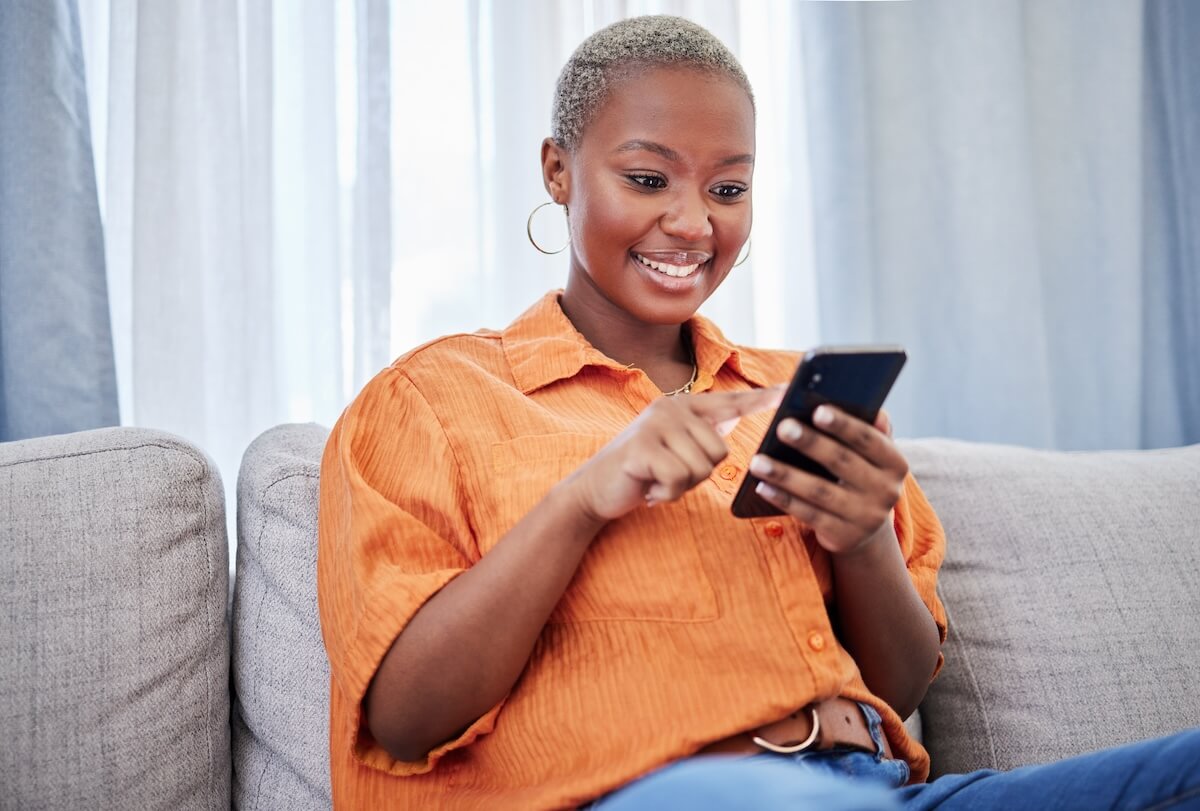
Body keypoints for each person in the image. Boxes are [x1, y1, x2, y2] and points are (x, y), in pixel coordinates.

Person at [316, 15, 1200, 811]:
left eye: (728, 190)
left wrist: (861, 540)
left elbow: (893, 683)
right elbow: (404, 720)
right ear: (558, 169)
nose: (692, 223)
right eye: (647, 177)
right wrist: (583, 498)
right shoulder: (429, 402)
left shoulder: (795, 395)